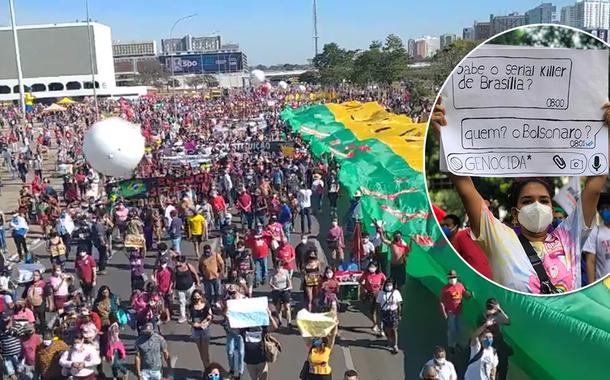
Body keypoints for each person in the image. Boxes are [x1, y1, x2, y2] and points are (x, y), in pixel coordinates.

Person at [431, 99, 608, 293]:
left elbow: (594, 187)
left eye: (543, 200)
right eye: (527, 201)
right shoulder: (499, 239)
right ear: (515, 213)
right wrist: (446, 137)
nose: (537, 205)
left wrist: (606, 133)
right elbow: (465, 188)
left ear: (551, 208)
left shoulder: (569, 236)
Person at [440, 214, 492, 280]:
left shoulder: (491, 240)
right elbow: (451, 261)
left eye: (447, 225)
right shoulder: (461, 236)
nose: (444, 227)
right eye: (443, 225)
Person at [440, 270, 472, 352]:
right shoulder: (445, 289)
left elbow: (465, 294)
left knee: (459, 328)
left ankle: (459, 344)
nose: (452, 279)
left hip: (459, 311)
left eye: (454, 277)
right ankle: (451, 346)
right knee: (452, 329)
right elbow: (442, 302)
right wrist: (444, 313)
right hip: (451, 312)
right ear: (448, 279)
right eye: (451, 278)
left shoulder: (460, 286)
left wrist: (469, 294)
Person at [478, 298, 511, 380]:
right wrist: (486, 325)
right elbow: (478, 334)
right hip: (489, 345)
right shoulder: (482, 318)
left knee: (503, 365)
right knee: (492, 368)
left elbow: (507, 321)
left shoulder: (496, 316)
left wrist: (500, 310)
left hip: (499, 343)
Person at [242, 309, 278, 380]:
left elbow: (274, 327)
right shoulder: (244, 329)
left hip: (261, 359)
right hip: (249, 361)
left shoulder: (261, 327)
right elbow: (233, 329)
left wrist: (270, 316)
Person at [583, 204, 610, 284]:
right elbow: (590, 261)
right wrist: (592, 288)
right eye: (605, 209)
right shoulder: (595, 231)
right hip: (604, 286)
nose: (606, 212)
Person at [189, 288, 213, 372]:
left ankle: (208, 369)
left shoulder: (206, 305)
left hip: (205, 330)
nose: (196, 299)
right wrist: (193, 324)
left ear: (201, 297)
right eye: (195, 297)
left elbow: (210, 315)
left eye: (198, 297)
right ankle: (206, 368)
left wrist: (205, 322)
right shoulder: (191, 306)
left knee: (205, 352)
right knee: (201, 353)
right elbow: (189, 318)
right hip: (196, 331)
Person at [376, 278, 402, 354]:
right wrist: (379, 313)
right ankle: (389, 340)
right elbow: (378, 303)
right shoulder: (381, 293)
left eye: (390, 285)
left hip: (393, 312)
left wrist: (399, 314)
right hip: (385, 312)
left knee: (394, 329)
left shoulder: (396, 292)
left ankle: (395, 345)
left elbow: (399, 304)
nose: (388, 286)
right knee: (386, 329)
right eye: (387, 285)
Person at [174, 255, 199, 324]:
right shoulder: (176, 268)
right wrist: (172, 287)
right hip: (180, 288)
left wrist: (198, 282)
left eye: (178, 262)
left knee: (191, 301)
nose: (177, 263)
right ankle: (183, 316)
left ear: (183, 262)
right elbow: (173, 278)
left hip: (190, 287)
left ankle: (191, 314)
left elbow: (195, 273)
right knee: (182, 302)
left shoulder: (188, 266)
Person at [269, 260, 293, 327]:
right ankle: (280, 321)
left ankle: (289, 322)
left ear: (282, 267)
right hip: (276, 291)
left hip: (285, 290)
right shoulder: (273, 273)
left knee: (287, 307)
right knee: (278, 307)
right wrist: (273, 287)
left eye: (279, 267)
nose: (278, 269)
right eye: (277, 267)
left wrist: (289, 287)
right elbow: (270, 283)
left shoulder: (285, 272)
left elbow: (289, 281)